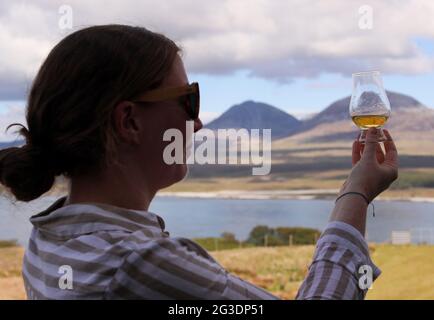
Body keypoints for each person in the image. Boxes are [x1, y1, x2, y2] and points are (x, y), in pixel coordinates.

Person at [0, 25, 398, 300]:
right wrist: (356, 194)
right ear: (129, 121)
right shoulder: (134, 262)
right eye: (189, 101)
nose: (199, 121)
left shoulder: (48, 239)